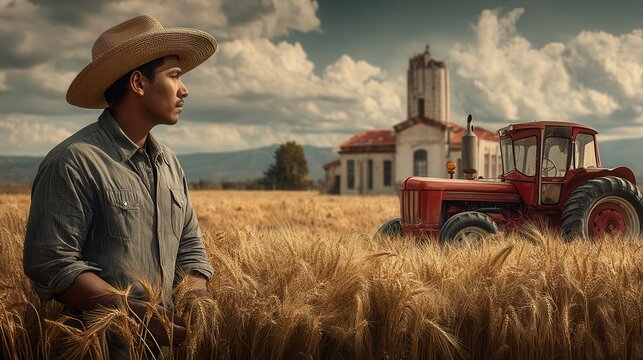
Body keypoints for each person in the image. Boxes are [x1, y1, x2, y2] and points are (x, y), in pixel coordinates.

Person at [23, 15, 216, 354]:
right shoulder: (73, 161)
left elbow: (190, 247)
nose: (184, 89)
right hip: (96, 349)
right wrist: (132, 313)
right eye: (174, 76)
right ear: (139, 83)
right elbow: (52, 262)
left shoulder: (169, 163)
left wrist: (194, 297)